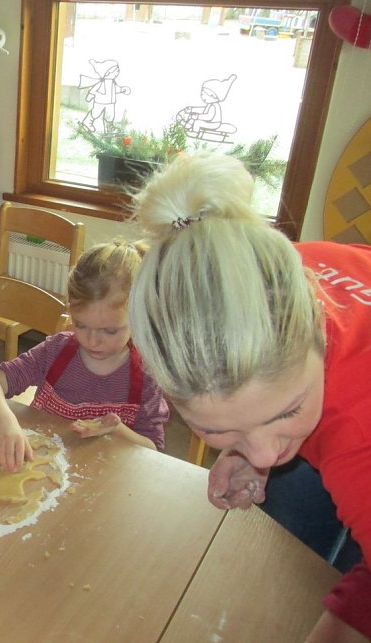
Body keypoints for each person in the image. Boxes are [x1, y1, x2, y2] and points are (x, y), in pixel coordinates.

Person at [127, 152, 371, 642]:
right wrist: (247, 448)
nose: (265, 453)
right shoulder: (251, 272)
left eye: (288, 410)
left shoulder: (358, 427)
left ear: (320, 333)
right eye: (216, 429)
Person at [0, 241, 169, 473]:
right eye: (81, 325)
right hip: (43, 471)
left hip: (103, 481)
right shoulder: (56, 351)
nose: (92, 340)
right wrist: (6, 423)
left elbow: (153, 450)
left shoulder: (146, 376)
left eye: (109, 330)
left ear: (139, 318)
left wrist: (116, 429)